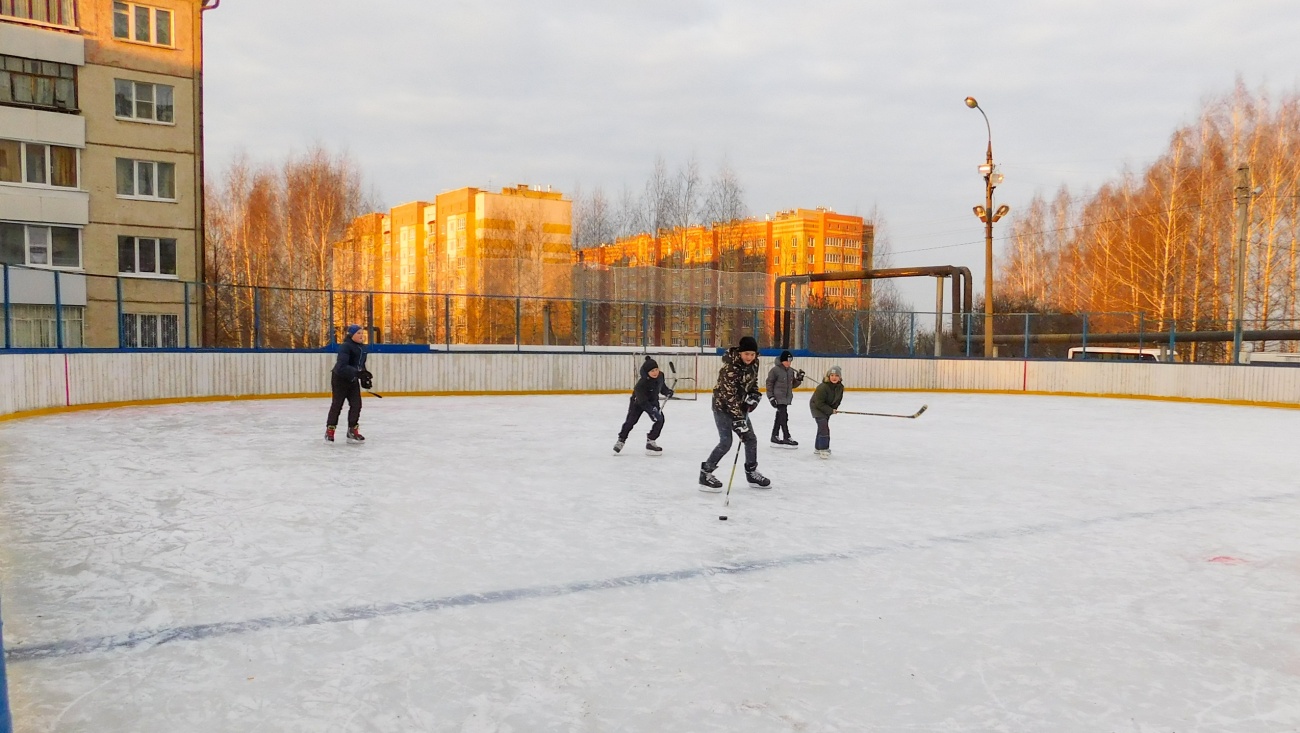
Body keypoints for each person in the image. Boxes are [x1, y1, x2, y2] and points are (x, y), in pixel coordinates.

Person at [699, 335, 771, 491]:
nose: (750, 357)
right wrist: (739, 420)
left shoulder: (754, 363)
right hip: (722, 407)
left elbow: (752, 382)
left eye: (753, 354)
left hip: (739, 406)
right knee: (726, 441)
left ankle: (751, 472)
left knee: (750, 438)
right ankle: (706, 473)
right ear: (740, 353)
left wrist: (754, 396)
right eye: (747, 354)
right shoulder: (730, 368)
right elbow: (728, 396)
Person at [614, 356, 675, 456]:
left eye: (656, 369)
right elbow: (642, 401)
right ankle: (621, 440)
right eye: (652, 371)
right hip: (638, 403)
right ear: (647, 372)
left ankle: (651, 441)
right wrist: (652, 410)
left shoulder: (660, 376)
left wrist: (667, 392)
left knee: (660, 420)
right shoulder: (641, 384)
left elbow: (661, 386)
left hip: (653, 401)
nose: (655, 372)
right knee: (630, 422)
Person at [325, 324, 371, 443]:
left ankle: (352, 430)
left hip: (352, 379)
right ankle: (330, 430)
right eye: (358, 333)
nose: (361, 335)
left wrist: (364, 377)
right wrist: (357, 373)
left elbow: (359, 364)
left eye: (362, 333)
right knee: (337, 405)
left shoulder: (362, 348)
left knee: (356, 405)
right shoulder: (346, 347)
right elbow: (341, 366)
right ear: (351, 335)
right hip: (340, 379)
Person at [765, 349, 805, 448]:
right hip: (778, 398)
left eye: (790, 361)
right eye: (787, 361)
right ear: (782, 360)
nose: (788, 363)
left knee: (779, 417)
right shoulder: (775, 370)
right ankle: (786, 436)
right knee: (783, 417)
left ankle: (774, 436)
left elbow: (793, 385)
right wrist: (771, 397)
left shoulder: (790, 371)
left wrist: (799, 378)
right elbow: (769, 384)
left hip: (786, 398)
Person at [809, 365, 843, 459]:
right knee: (824, 427)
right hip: (816, 407)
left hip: (827, 407)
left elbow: (838, 400)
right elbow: (819, 403)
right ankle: (824, 449)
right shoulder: (822, 387)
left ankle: (818, 447)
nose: (834, 377)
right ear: (828, 376)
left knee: (822, 426)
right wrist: (830, 410)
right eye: (832, 375)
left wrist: (834, 409)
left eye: (836, 375)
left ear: (840, 377)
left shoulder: (840, 387)